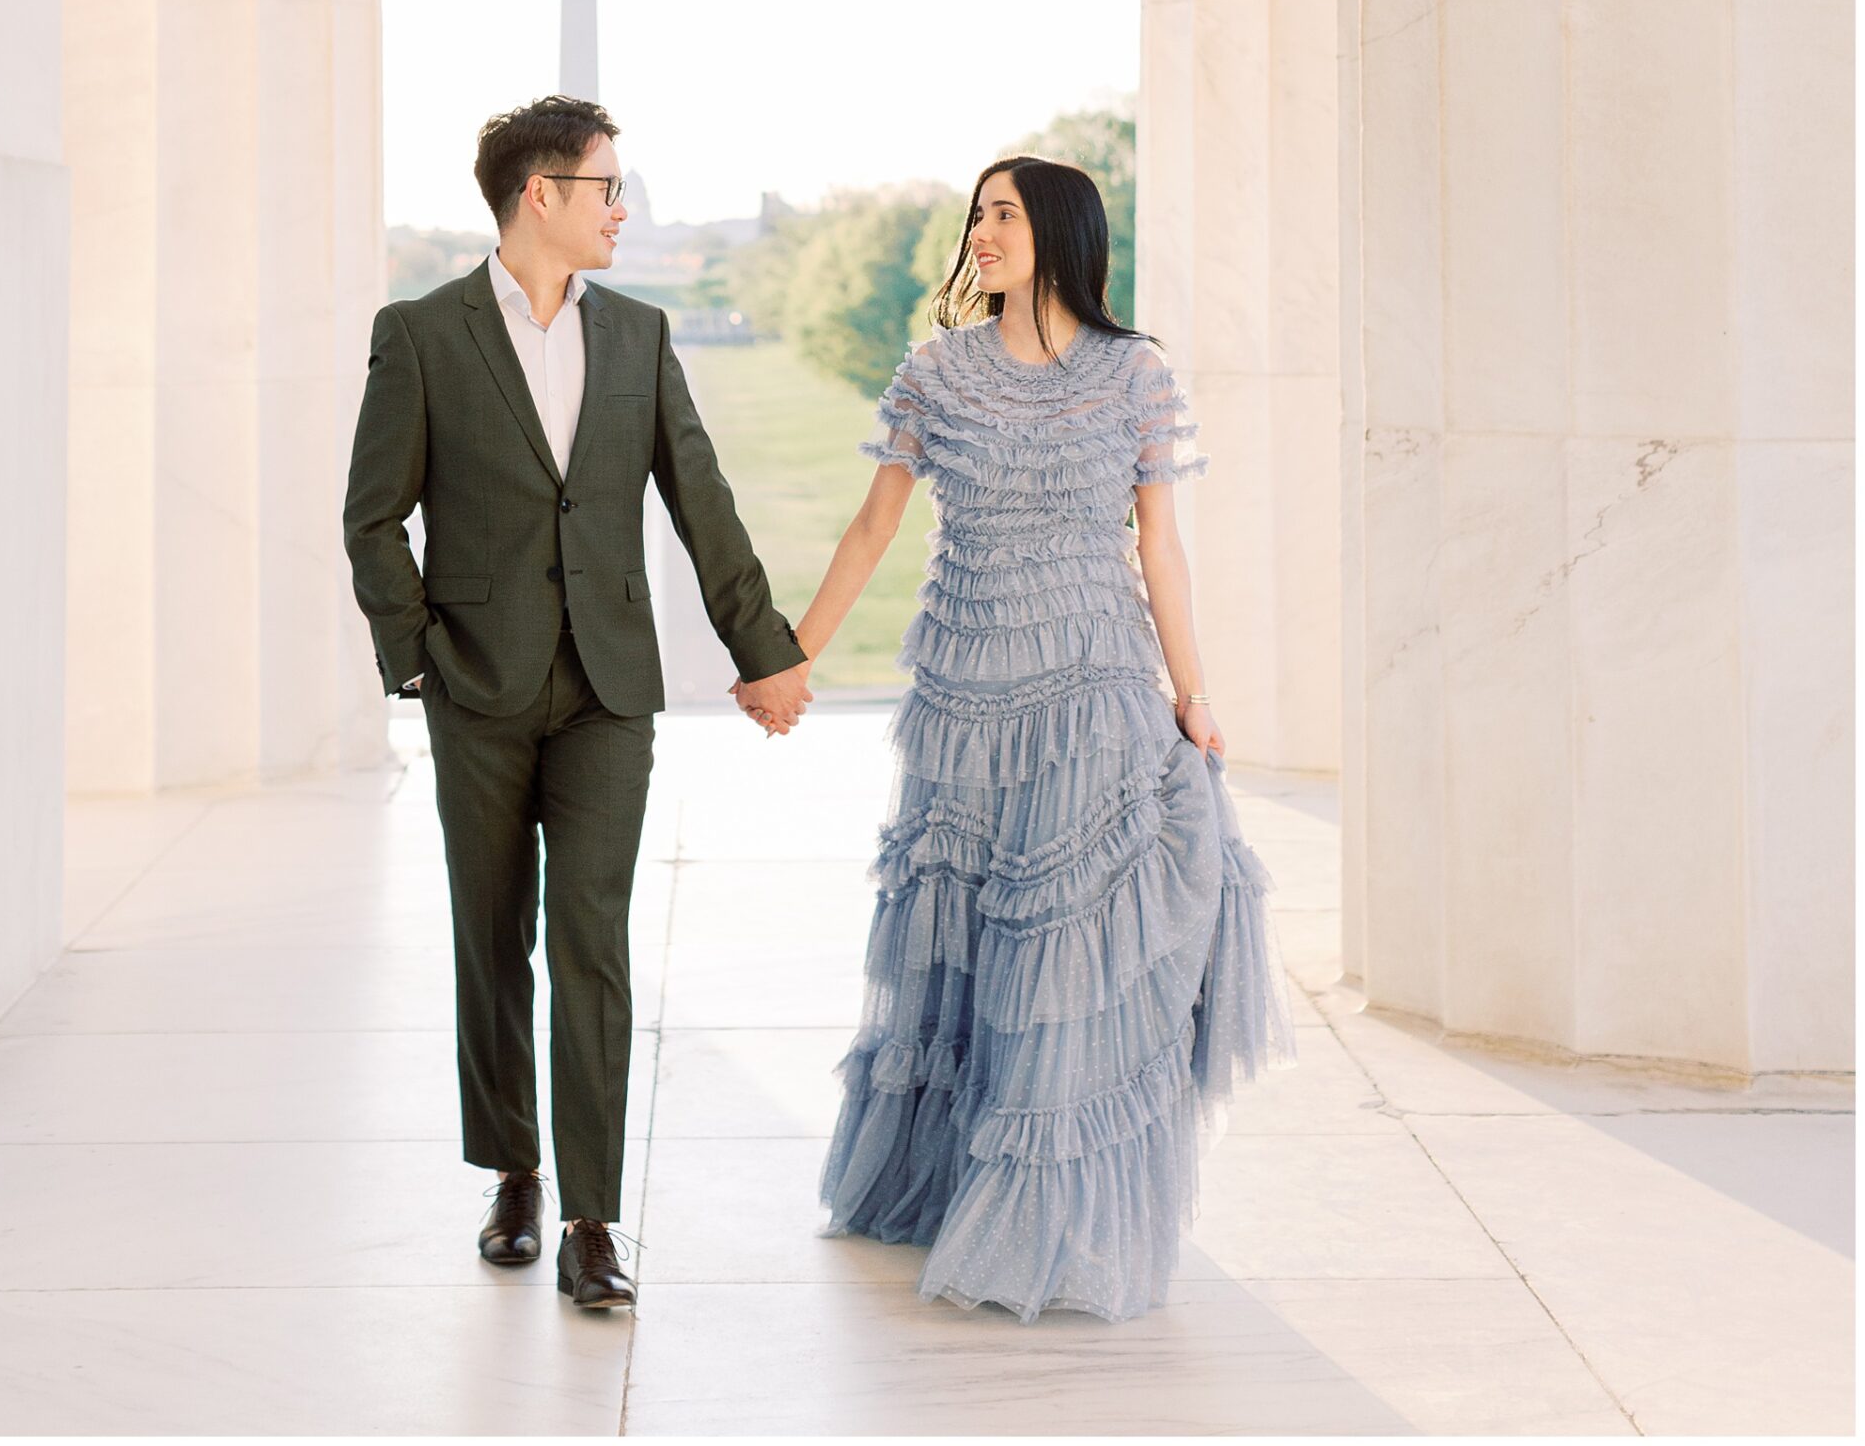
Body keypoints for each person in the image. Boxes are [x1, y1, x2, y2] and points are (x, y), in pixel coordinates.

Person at [743, 153, 1295, 1322]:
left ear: (1056, 229)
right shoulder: (933, 371)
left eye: (1000, 213)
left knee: (1062, 963)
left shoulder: (1131, 373)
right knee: (961, 949)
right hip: (963, 696)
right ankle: (953, 1185)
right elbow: (871, 525)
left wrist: (1192, 692)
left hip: (1093, 688)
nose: (979, 233)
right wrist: (791, 653)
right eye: (975, 215)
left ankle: (1055, 1219)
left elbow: (1160, 549)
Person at [343, 95, 812, 1309]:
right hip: (478, 686)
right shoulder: (424, 332)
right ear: (537, 194)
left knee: (591, 944)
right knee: (491, 936)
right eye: (607, 183)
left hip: (610, 689)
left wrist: (760, 649)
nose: (622, 205)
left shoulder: (643, 336)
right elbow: (371, 515)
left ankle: (593, 1218)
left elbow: (698, 500)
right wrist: (415, 657)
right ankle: (512, 1167)